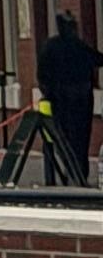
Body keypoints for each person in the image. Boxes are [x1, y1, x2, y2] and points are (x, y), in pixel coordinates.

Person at [38, 12, 99, 182]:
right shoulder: (77, 47)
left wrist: (47, 92)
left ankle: (71, 171)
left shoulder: (51, 47)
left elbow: (42, 74)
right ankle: (78, 172)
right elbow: (97, 59)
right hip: (80, 100)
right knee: (79, 139)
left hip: (61, 100)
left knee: (64, 138)